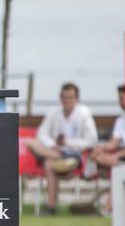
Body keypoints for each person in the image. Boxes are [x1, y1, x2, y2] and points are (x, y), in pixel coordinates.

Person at [26, 81, 98, 214]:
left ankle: (51, 207)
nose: (67, 100)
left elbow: (91, 140)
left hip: (75, 156)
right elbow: (41, 133)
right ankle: (51, 206)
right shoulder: (54, 112)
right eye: (64, 97)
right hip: (54, 152)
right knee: (31, 143)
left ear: (77, 99)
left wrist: (68, 143)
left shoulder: (84, 114)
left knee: (48, 163)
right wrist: (53, 145)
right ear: (60, 98)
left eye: (70, 97)